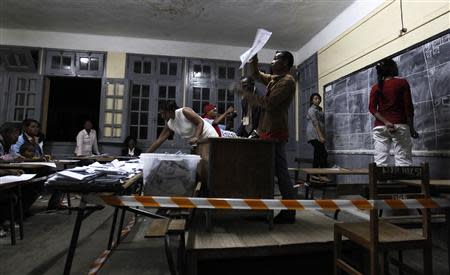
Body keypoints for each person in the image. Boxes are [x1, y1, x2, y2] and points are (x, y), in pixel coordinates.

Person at [234, 51, 297, 224]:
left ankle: (289, 212)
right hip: (267, 132)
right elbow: (256, 74)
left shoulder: (287, 81)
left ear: (285, 63)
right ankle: (263, 210)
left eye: (276, 58)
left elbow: (269, 104)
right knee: (266, 172)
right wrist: (254, 59)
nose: (272, 61)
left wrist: (245, 94)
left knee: (281, 174)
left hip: (275, 133)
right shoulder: (274, 79)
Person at [369, 58, 418, 166]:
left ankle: (381, 182)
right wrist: (412, 127)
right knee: (403, 162)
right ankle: (404, 182)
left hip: (380, 128)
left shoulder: (375, 87)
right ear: (393, 69)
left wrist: (385, 122)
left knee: (380, 163)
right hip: (399, 125)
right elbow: (408, 107)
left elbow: (372, 108)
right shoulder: (402, 83)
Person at [146, 100, 218, 153]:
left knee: (210, 165)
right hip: (199, 142)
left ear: (170, 111)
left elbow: (200, 122)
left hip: (210, 137)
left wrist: (196, 137)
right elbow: (159, 141)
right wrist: (144, 155)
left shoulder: (184, 111)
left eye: (163, 113)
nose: (162, 116)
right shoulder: (170, 124)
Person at [306, 93, 328, 168]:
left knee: (317, 154)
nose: (318, 100)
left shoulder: (319, 110)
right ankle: (323, 174)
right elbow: (316, 123)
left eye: (319, 98)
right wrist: (321, 137)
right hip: (314, 135)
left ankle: (314, 174)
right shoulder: (311, 110)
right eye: (315, 98)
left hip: (318, 134)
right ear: (312, 101)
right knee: (323, 154)